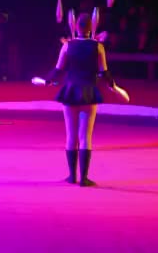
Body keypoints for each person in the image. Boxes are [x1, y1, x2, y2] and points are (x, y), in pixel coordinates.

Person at [43, 11, 117, 187]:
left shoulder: (67, 46)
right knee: (85, 137)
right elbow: (103, 72)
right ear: (92, 28)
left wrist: (48, 80)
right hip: (89, 93)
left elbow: (58, 70)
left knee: (71, 136)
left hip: (70, 92)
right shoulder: (98, 47)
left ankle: (71, 177)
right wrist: (112, 84)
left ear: (75, 27)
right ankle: (84, 178)